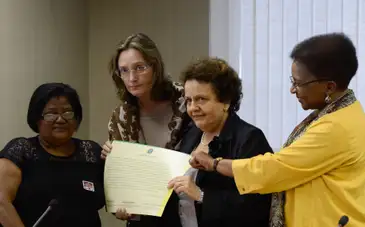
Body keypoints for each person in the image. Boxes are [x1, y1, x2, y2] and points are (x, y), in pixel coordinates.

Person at [190, 33, 365, 227]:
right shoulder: (344, 113)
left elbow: (274, 170)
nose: (292, 89)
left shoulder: (336, 127)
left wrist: (214, 164)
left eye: (298, 83)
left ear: (329, 87)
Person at [168, 57, 273, 227]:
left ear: (225, 101)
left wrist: (201, 195)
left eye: (201, 99)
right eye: (189, 100)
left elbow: (258, 207)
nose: (193, 108)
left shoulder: (250, 138)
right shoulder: (191, 134)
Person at [101, 33, 190, 227]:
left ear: (155, 67)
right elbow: (123, 182)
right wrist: (121, 205)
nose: (132, 78)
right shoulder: (121, 117)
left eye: (139, 68)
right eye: (124, 71)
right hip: (146, 220)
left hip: (189, 214)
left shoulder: (187, 102)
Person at [0, 83, 105, 227]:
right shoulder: (22, 150)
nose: (61, 119)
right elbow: (2, 202)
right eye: (51, 113)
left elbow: (115, 198)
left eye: (68, 112)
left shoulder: (92, 152)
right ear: (37, 119)